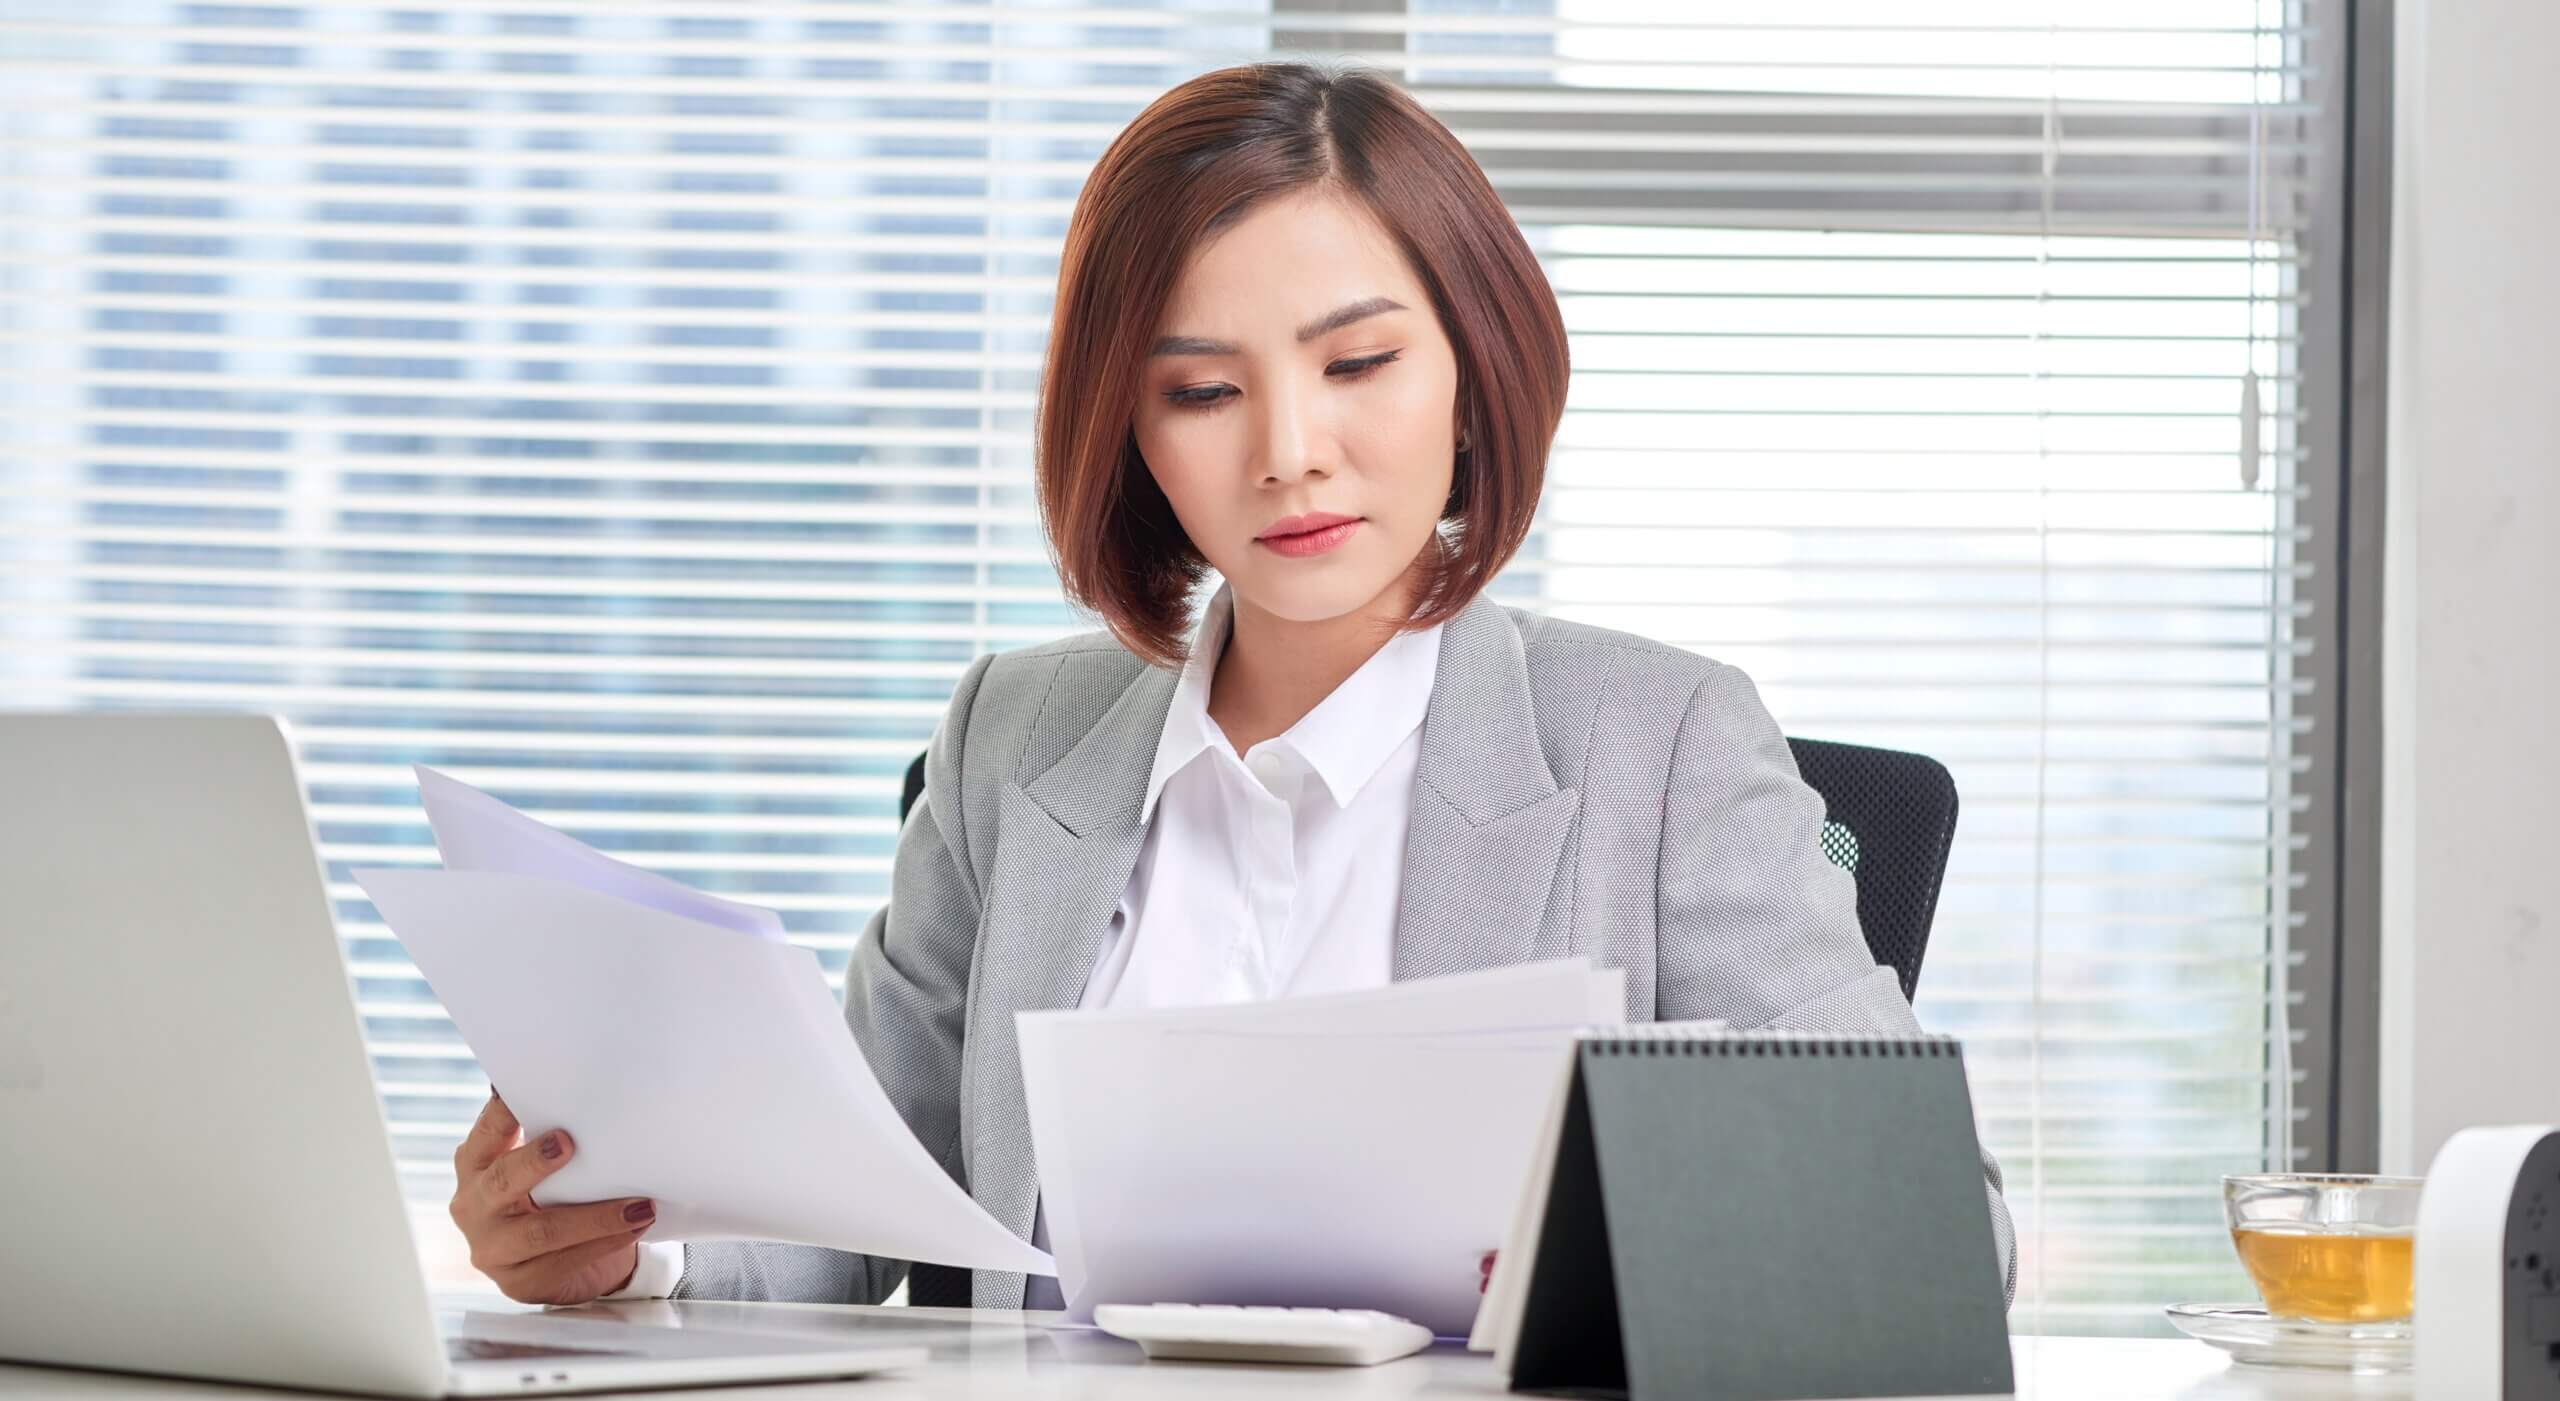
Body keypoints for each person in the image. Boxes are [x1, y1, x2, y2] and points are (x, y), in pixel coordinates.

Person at [445, 59, 2018, 1313]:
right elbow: (840, 1208)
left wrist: (1619, 1243)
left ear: (1470, 370)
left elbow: (1956, 1239)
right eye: (1202, 390)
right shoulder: (1013, 742)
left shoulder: (1659, 744)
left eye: (1356, 364)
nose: (1288, 451)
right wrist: (623, 1240)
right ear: (1131, 435)